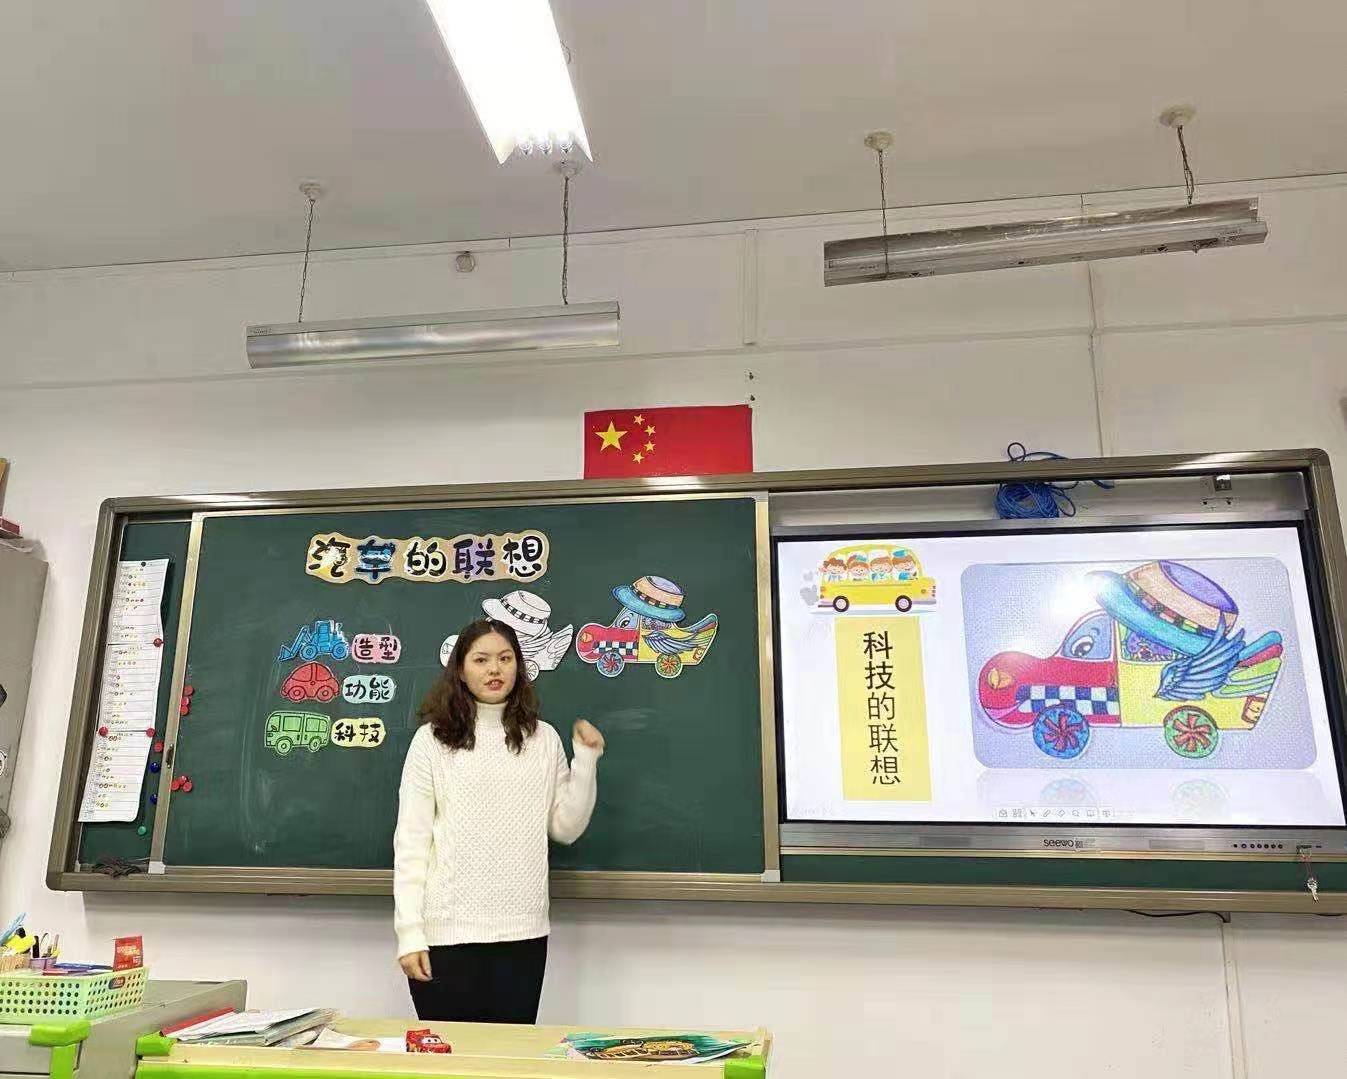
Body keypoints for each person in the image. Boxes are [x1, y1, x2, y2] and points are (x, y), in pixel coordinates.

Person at [394, 618, 604, 1023]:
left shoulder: (542, 738)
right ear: (460, 670)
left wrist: (586, 761)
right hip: (446, 934)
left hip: (523, 934)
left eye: (505, 659)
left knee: (509, 1054)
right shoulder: (432, 740)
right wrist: (409, 933)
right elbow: (411, 843)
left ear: (518, 667)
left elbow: (565, 828)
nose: (495, 669)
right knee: (452, 1054)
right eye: (481, 660)